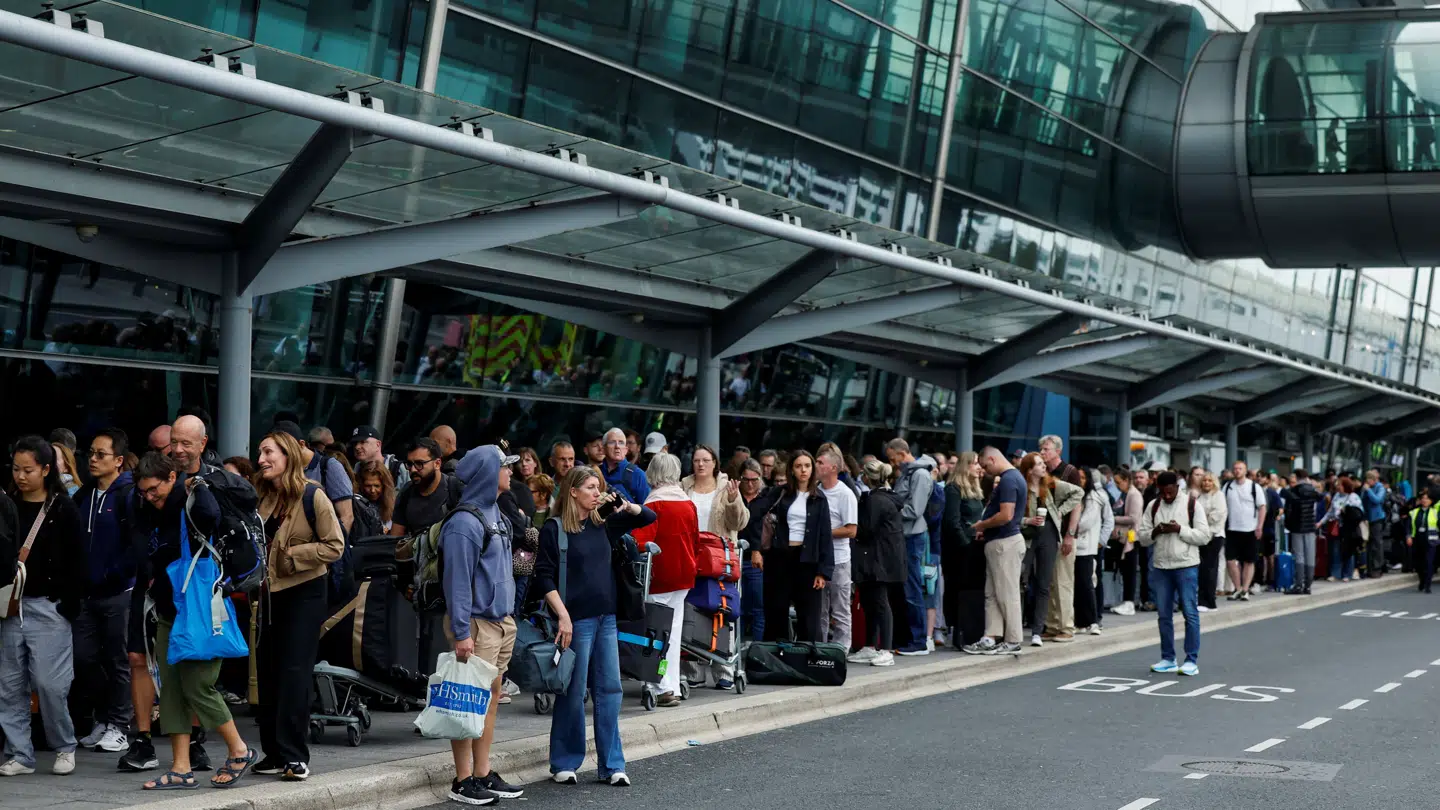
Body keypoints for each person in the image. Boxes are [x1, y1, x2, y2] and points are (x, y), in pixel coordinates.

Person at [130, 452, 256, 789]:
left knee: (198, 684)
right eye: (143, 491)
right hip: (169, 608)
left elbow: (212, 516)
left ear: (171, 478)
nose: (149, 496)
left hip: (199, 607)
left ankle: (239, 750)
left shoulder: (193, 499)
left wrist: (198, 486)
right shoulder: (149, 509)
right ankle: (180, 768)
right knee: (171, 688)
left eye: (154, 489)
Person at [533, 467, 656, 787]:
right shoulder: (555, 528)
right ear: (572, 491)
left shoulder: (604, 523)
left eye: (598, 487)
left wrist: (626, 505)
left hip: (607, 617)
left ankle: (612, 764)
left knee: (610, 690)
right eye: (590, 487)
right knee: (573, 691)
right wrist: (562, 616)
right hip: (576, 620)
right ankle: (564, 761)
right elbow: (543, 576)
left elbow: (648, 517)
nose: (596, 493)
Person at [251, 431, 345, 781]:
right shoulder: (263, 496)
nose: (261, 459)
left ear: (288, 455)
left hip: (304, 591)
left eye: (268, 452)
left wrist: (294, 556)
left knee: (294, 672)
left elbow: (335, 545)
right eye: (260, 452)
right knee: (267, 672)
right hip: (268, 594)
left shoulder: (312, 494)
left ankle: (294, 755)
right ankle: (273, 753)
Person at [442, 445, 524, 805]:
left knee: (489, 701)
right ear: (488, 473)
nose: (510, 472)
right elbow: (457, 582)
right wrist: (462, 632)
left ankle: (482, 772)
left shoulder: (496, 512)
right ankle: (462, 780)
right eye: (505, 466)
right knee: (467, 704)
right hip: (476, 624)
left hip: (499, 621)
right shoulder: (464, 523)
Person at [0, 437, 84, 778]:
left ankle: (64, 745)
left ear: (47, 470)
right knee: (9, 685)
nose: (21, 476)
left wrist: (69, 605)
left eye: (28, 470)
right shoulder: (7, 505)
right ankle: (19, 753)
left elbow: (78, 559)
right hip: (9, 606)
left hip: (50, 606)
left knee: (51, 684)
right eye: (16, 469)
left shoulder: (63, 509)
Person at [72, 428, 139, 756]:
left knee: (117, 659)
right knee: (83, 657)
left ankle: (119, 724)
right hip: (86, 593)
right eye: (91, 453)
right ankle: (103, 717)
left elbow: (135, 545)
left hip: (117, 592)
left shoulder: (128, 495)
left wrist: (115, 574)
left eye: (101, 454)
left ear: (119, 461)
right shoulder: (84, 495)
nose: (93, 459)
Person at [629, 454, 697, 708]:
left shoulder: (654, 504)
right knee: (673, 634)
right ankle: (672, 684)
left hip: (659, 576)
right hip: (684, 574)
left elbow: (641, 542)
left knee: (655, 633)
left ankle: (659, 686)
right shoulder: (687, 503)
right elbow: (695, 540)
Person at [680, 445, 748, 689]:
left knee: (722, 608)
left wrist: (732, 500)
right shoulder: (683, 486)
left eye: (706, 460)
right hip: (690, 555)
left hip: (719, 557)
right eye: (697, 460)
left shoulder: (726, 486)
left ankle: (724, 670)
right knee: (690, 607)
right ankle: (693, 670)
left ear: (714, 463)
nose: (700, 464)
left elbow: (739, 522)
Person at [1137, 471, 1210, 675]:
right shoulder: (1153, 506)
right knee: (1163, 615)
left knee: (1190, 612)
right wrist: (1156, 531)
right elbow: (1142, 538)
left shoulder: (1192, 504)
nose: (1166, 496)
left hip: (1186, 566)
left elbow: (1205, 536)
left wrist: (1180, 529)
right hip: (1161, 567)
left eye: (1169, 492)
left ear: (1177, 487)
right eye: (1162, 492)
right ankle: (1168, 658)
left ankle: (1191, 660)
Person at [761, 451, 833, 643]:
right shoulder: (780, 493)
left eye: (807, 466)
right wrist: (757, 550)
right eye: (798, 466)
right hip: (781, 556)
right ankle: (776, 653)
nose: (803, 470)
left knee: (809, 614)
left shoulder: (819, 498)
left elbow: (825, 535)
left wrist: (823, 572)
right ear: (791, 470)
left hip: (808, 558)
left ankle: (809, 654)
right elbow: (758, 514)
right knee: (776, 609)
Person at [962, 447, 1027, 656]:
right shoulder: (1013, 478)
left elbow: (1006, 515)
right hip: (1001, 541)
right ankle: (991, 636)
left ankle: (1013, 639)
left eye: (985, 465)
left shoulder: (1008, 480)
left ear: (992, 458)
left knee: (1006, 594)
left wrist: (982, 525)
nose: (985, 471)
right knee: (993, 594)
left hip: (1004, 542)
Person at [1019, 452, 1082, 646]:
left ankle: (1038, 631)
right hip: (1027, 537)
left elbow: (1078, 493)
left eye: (1042, 463)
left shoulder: (1051, 484)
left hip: (1049, 534)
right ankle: (1016, 628)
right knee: (1021, 581)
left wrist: (1058, 512)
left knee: (1044, 584)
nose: (1043, 466)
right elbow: (1011, 515)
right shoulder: (1021, 487)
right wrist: (1027, 520)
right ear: (1030, 470)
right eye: (1039, 464)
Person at [849, 460, 904, 667]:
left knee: (879, 603)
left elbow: (865, 529)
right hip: (882, 557)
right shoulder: (886, 497)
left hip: (878, 558)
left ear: (867, 477)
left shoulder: (875, 500)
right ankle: (870, 646)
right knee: (870, 602)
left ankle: (886, 649)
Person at [884, 438, 935, 654]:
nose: (892, 463)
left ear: (901, 453)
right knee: (905, 589)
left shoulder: (920, 475)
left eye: (892, 458)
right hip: (904, 536)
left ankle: (918, 640)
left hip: (912, 537)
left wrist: (889, 511)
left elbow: (915, 509)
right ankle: (908, 637)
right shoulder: (909, 473)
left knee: (912, 588)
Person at [275, 421, 355, 535]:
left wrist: (333, 544)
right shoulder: (285, 468)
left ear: (301, 444)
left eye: (285, 450)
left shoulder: (329, 466)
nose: (282, 456)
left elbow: (347, 516)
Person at [940, 451, 986, 648]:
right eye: (975, 463)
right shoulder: (953, 489)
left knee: (971, 592)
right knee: (957, 590)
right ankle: (958, 632)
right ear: (966, 466)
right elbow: (952, 521)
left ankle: (969, 631)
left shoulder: (975, 489)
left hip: (974, 548)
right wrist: (966, 544)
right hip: (959, 550)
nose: (979, 467)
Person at [813, 448, 857, 653]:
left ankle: (841, 650)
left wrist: (822, 533)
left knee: (840, 609)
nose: (816, 466)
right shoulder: (815, 491)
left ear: (833, 468)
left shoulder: (845, 494)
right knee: (819, 609)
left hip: (839, 559)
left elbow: (851, 530)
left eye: (820, 462)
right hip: (819, 559)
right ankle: (820, 648)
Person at [389, 438, 462, 538]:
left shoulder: (454, 488)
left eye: (419, 463)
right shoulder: (406, 492)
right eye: (409, 464)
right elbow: (395, 538)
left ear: (437, 464)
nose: (413, 470)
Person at [735, 459, 775, 641]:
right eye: (746, 480)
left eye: (754, 480)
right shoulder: (734, 496)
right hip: (736, 556)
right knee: (738, 607)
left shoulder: (767, 498)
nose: (750, 484)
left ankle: (757, 647)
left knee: (758, 607)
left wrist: (757, 550)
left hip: (758, 559)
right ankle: (736, 645)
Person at [1074, 468, 1113, 636]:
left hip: (1087, 547)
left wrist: (1101, 541)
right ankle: (1081, 621)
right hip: (1076, 545)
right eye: (1078, 477)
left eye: (1083, 477)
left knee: (1088, 583)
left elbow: (1087, 523)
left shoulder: (1094, 497)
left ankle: (1093, 620)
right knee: (1079, 584)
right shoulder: (1075, 495)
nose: (1080, 480)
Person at [1223, 460, 1266, 599]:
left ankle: (1245, 590)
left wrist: (1259, 526)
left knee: (1249, 561)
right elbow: (1222, 505)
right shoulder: (1228, 486)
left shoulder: (1254, 487)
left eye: (1240, 468)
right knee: (1230, 560)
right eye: (1235, 468)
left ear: (1245, 470)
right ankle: (1237, 588)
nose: (1237, 471)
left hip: (1250, 529)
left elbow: (1262, 507)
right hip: (1232, 529)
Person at [1283, 469, 1324, 595]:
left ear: (1296, 477)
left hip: (1297, 527)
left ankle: (1298, 584)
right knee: (1310, 555)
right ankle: (1308, 585)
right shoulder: (1312, 491)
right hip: (1310, 526)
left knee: (1299, 555)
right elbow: (1321, 497)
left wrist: (1289, 525)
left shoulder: (1292, 491)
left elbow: (1288, 510)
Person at [1109, 469, 1145, 616]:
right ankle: (1126, 600)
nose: (1117, 486)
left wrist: (1113, 518)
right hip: (1122, 537)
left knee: (1129, 570)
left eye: (1119, 482)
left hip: (1131, 537)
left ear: (1126, 480)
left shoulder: (1134, 495)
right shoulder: (1124, 494)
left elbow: (1133, 518)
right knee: (1124, 570)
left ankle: (1129, 602)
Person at [1192, 471, 1227, 611]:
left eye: (1209, 480)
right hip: (1200, 535)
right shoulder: (1199, 496)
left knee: (1210, 568)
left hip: (1214, 535)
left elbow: (1217, 516)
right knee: (1202, 569)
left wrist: (1202, 520)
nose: (1206, 483)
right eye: (1204, 480)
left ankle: (1209, 601)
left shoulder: (1218, 496)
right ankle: (1202, 600)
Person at [1319, 477, 1363, 582]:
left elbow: (1358, 513)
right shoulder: (1336, 496)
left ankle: (1347, 574)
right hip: (1337, 526)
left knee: (1348, 550)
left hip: (1349, 528)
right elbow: (1330, 512)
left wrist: (1346, 512)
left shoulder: (1353, 497)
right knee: (1335, 551)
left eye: (1340, 485)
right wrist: (1321, 522)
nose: (1337, 487)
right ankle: (1335, 574)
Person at [349, 425, 410, 491]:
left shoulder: (398, 469)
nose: (357, 447)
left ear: (378, 444)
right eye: (355, 443)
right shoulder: (356, 469)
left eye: (362, 442)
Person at [599, 428, 649, 503]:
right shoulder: (596, 473)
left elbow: (647, 509)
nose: (617, 446)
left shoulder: (638, 475)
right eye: (612, 442)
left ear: (626, 450)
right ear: (603, 449)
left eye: (621, 443)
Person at [1408, 488, 1439, 593]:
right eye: (1423, 498)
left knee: (1429, 562)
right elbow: (1408, 526)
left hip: (1431, 540)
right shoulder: (1414, 512)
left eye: (1427, 498)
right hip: (1417, 539)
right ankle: (1422, 580)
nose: (1425, 500)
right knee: (1418, 563)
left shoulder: (1435, 512)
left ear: (1431, 501)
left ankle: (1428, 585)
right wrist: (1408, 536)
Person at [355, 460, 397, 533]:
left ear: (385, 486)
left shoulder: (395, 505)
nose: (372, 490)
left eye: (377, 486)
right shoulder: (357, 504)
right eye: (368, 486)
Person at [1361, 470, 1388, 579]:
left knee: (1377, 544)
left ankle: (1377, 568)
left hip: (1377, 518)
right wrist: (1364, 491)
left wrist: (1368, 490)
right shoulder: (1367, 488)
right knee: (1369, 544)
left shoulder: (1380, 487)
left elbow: (1377, 500)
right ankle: (1369, 567)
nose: (1368, 482)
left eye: (1369, 480)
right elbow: (1362, 500)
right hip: (1368, 518)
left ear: (1374, 479)